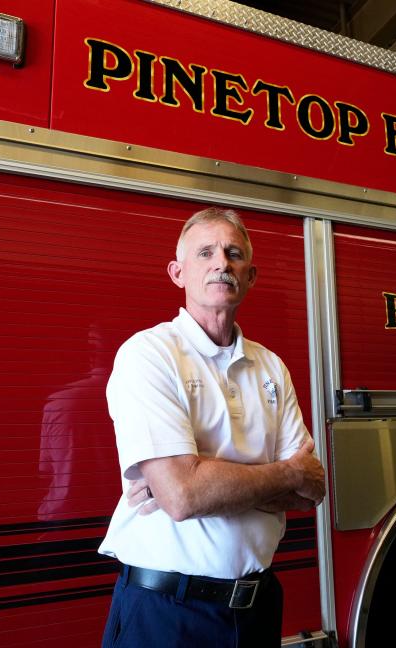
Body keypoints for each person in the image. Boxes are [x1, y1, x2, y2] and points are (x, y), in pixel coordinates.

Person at [99, 207, 325, 647]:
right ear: (178, 272)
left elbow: (310, 491)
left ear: (251, 275)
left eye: (233, 253)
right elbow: (183, 496)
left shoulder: (271, 366)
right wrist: (285, 471)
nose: (222, 262)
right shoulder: (148, 354)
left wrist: (206, 474)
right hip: (166, 614)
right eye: (206, 252)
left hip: (256, 610)